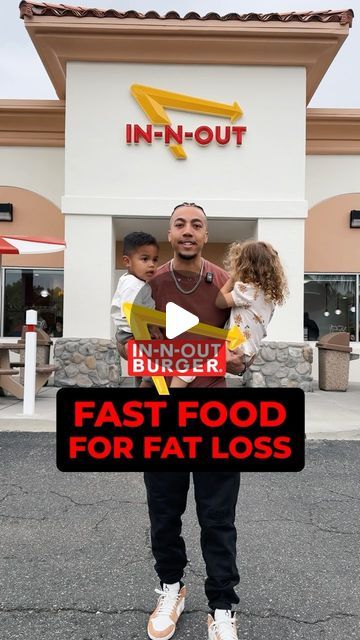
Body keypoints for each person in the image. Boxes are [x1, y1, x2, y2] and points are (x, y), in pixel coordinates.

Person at [118, 203, 246, 640]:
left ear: (205, 234)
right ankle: (171, 587)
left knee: (217, 516)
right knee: (164, 510)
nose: (187, 231)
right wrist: (150, 353)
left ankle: (223, 606)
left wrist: (237, 358)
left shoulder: (228, 285)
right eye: (179, 225)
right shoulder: (148, 286)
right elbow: (123, 341)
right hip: (160, 411)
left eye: (196, 224)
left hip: (215, 416)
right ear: (169, 235)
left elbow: (243, 355)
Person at [215, 240, 288, 365]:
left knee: (189, 366)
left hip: (234, 348)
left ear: (244, 265)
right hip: (250, 351)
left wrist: (232, 280)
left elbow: (219, 301)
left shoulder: (247, 290)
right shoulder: (268, 297)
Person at [111, 231, 161, 387]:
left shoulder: (138, 282)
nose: (151, 264)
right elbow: (132, 314)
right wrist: (150, 332)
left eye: (154, 259)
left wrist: (153, 328)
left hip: (134, 333)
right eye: (145, 259)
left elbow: (146, 312)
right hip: (132, 335)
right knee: (153, 369)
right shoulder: (132, 285)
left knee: (140, 368)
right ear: (127, 261)